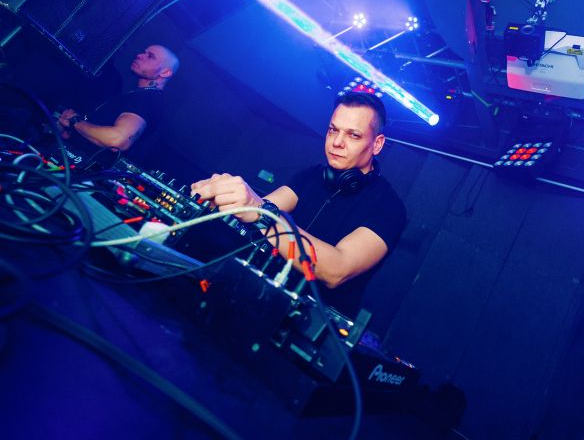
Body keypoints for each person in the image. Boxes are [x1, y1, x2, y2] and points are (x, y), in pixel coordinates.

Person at [191, 92, 407, 317]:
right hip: (258, 294)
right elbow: (264, 207)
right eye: (333, 130)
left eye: (353, 135)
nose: (336, 142)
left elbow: (337, 270)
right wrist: (226, 198)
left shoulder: (389, 208)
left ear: (377, 144)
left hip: (308, 321)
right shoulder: (313, 175)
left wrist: (260, 213)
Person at [56, 44, 179, 166]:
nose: (139, 55)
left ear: (165, 72)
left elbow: (117, 141)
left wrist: (75, 121)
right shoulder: (140, 95)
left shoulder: (148, 99)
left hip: (81, 169)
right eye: (143, 52)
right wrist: (73, 130)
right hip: (70, 160)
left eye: (150, 56)